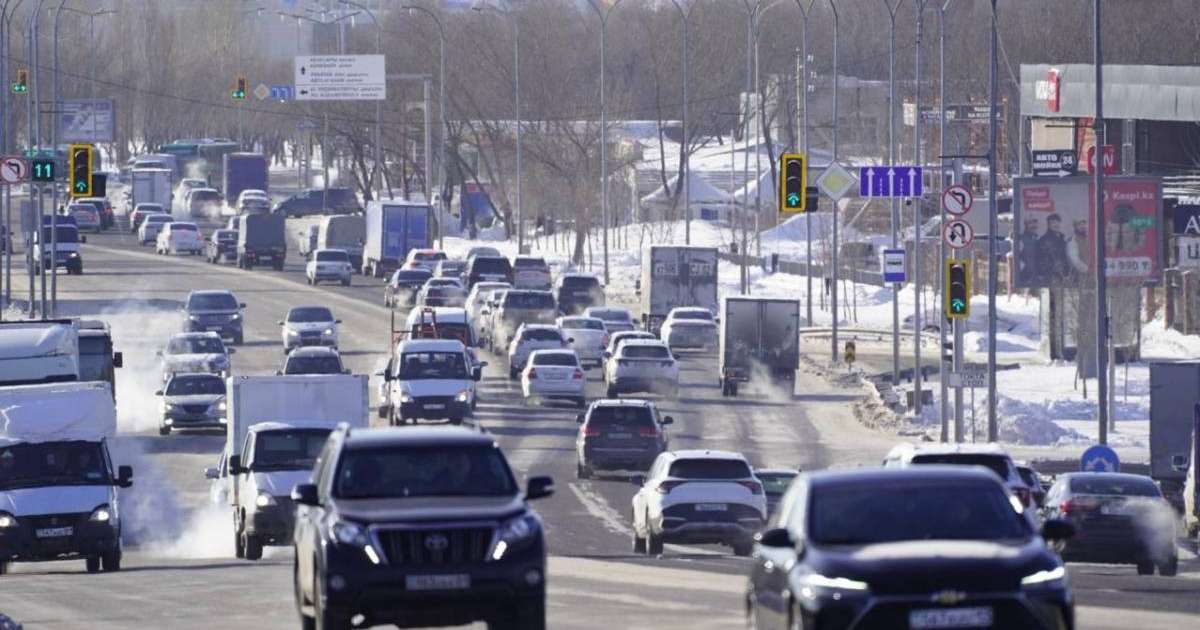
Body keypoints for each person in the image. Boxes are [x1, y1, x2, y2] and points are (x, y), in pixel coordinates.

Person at [1035, 213, 1071, 285]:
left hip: (1064, 275)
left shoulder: (1064, 238)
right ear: (1048, 225)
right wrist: (1041, 274)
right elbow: (1039, 259)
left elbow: (1065, 257)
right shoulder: (1043, 240)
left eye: (1057, 222)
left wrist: (1066, 273)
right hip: (1050, 275)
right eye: (1053, 223)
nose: (1056, 225)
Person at [1017, 217, 1040, 285]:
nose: (1033, 225)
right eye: (1030, 223)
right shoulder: (1021, 240)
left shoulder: (1038, 238)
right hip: (1025, 277)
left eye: (1035, 223)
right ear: (1026, 225)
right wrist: (1023, 269)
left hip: (1036, 277)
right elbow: (1017, 258)